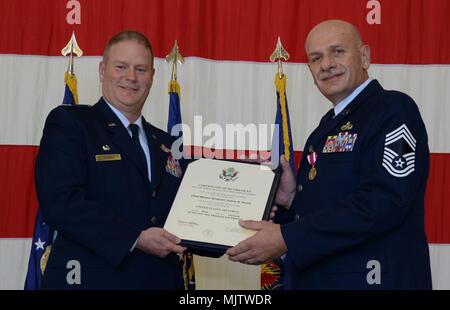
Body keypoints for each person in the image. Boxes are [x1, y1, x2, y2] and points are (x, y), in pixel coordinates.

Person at [226, 20, 432, 289]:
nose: (326, 64)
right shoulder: (325, 128)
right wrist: (291, 200)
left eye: (338, 51)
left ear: (365, 56)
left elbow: (385, 201)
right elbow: (331, 204)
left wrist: (289, 238)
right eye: (316, 58)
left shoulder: (394, 110)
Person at [35, 30, 187, 289]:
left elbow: (192, 205)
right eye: (121, 67)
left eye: (141, 69)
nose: (131, 77)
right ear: (102, 70)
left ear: (152, 77)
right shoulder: (71, 124)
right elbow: (60, 202)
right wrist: (135, 239)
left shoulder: (167, 144)